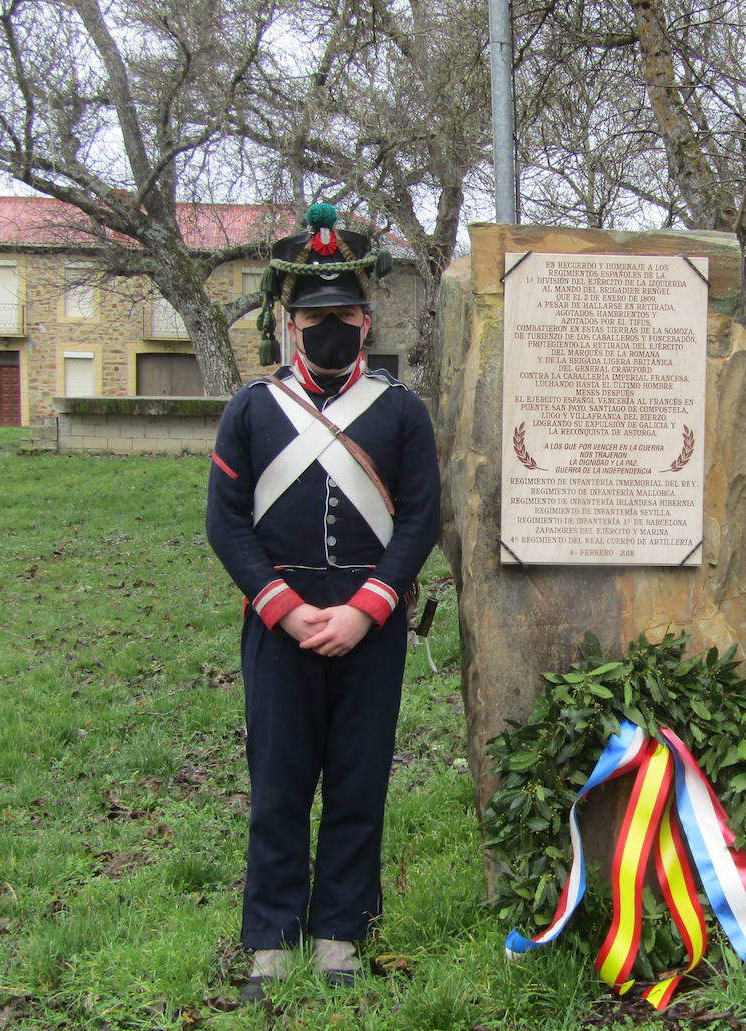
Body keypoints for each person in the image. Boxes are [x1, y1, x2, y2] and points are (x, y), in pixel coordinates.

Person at [206, 205, 441, 1000]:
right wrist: (282, 605)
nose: (329, 327)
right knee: (277, 780)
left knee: (358, 778)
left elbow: (420, 518)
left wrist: (367, 608)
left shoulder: (402, 412)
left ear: (366, 320)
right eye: (314, 316)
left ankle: (340, 932)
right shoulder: (251, 409)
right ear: (289, 322)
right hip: (281, 620)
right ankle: (270, 939)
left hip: (367, 622)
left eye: (342, 314)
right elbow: (225, 521)